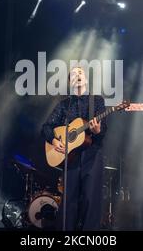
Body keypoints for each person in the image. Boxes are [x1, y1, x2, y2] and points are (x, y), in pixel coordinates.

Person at [41, 66, 107, 230]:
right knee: (69, 202)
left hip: (92, 155)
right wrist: (55, 141)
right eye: (74, 74)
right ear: (70, 81)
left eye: (81, 73)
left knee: (90, 201)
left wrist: (98, 130)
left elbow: (103, 129)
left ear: (85, 79)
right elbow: (47, 127)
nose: (78, 75)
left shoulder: (96, 100)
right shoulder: (64, 104)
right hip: (70, 157)